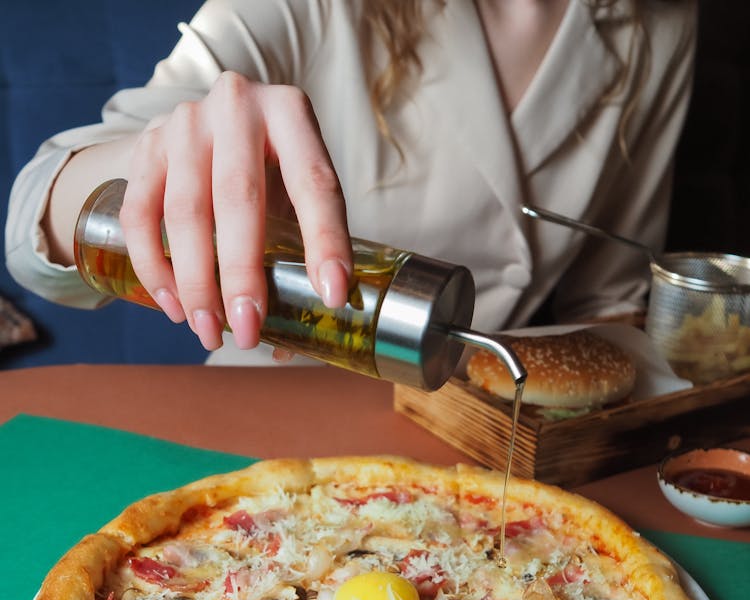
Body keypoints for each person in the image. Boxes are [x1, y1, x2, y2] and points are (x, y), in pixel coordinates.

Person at [5, 0, 697, 366]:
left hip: (486, 434)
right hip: (275, 417)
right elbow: (36, 210)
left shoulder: (663, 21)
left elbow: (611, 293)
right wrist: (158, 158)